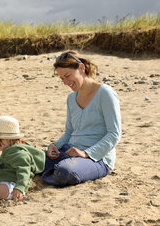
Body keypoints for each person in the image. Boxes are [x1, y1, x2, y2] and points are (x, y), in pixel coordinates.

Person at [42, 51, 121, 186]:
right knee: (28, 158)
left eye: (67, 76)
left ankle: (52, 169)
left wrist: (86, 153)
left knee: (65, 171)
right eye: (62, 79)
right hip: (69, 151)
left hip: (97, 159)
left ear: (81, 68)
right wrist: (55, 145)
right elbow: (69, 132)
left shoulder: (105, 93)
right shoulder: (71, 98)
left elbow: (114, 134)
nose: (65, 82)